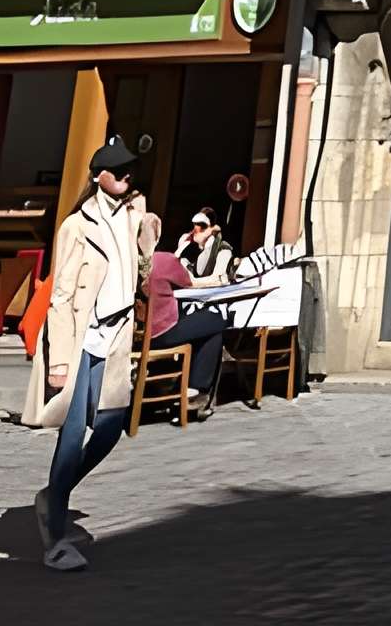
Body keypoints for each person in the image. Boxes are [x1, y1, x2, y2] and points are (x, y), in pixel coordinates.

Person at [23, 136, 156, 572]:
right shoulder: (76, 225)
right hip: (81, 339)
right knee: (73, 432)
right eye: (117, 170)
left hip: (115, 339)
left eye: (129, 169)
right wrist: (59, 360)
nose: (126, 175)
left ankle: (53, 495)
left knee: (111, 428)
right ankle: (55, 537)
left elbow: (139, 277)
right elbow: (61, 296)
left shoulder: (130, 215)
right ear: (97, 176)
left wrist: (145, 238)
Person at [144, 219, 229, 417]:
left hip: (140, 333)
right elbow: (189, 283)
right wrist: (179, 253)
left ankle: (188, 390)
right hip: (163, 330)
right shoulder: (163, 260)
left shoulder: (129, 261)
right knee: (217, 321)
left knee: (208, 331)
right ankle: (196, 392)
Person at [177, 204, 236, 283]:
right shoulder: (198, 252)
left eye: (202, 225)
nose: (195, 230)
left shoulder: (224, 250)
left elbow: (217, 280)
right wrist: (180, 249)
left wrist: (192, 282)